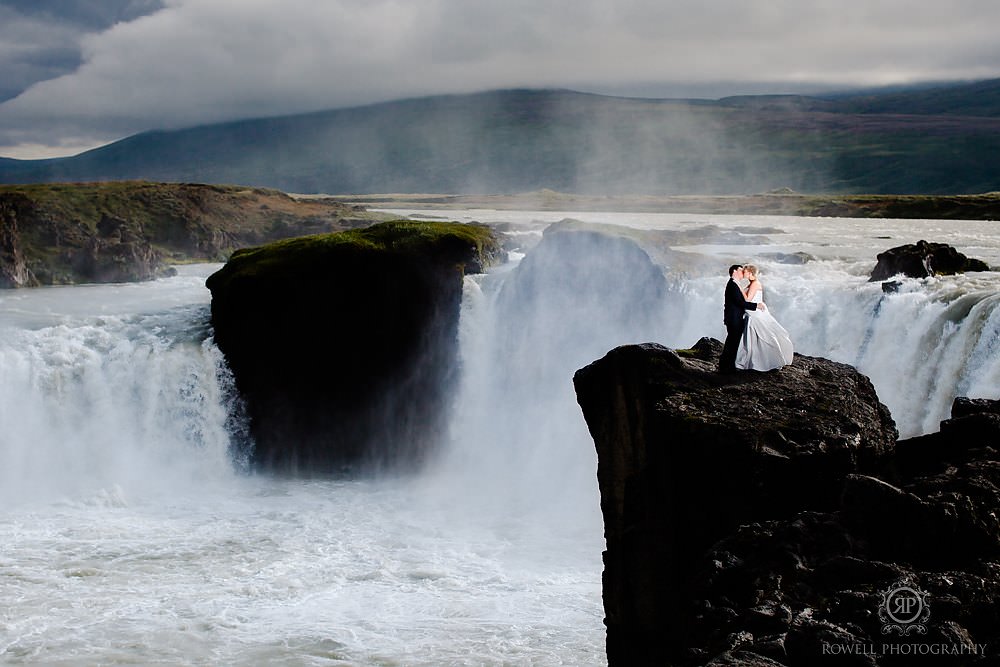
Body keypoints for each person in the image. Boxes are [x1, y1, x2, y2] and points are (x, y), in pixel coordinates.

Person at [735, 264, 794, 371]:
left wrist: (738, 287)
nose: (743, 273)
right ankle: (752, 361)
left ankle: (771, 360)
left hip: (755, 313)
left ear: (751, 273)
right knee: (753, 339)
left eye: (745, 271)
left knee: (765, 337)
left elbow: (747, 300)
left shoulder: (755, 284)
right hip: (751, 312)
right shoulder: (751, 283)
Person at [719, 264, 761, 373]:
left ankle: (728, 365)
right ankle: (726, 367)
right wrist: (756, 306)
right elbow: (740, 302)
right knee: (732, 342)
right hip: (733, 319)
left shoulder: (735, 284)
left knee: (733, 342)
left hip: (735, 318)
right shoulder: (732, 284)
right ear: (734, 271)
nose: (743, 272)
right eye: (741, 270)